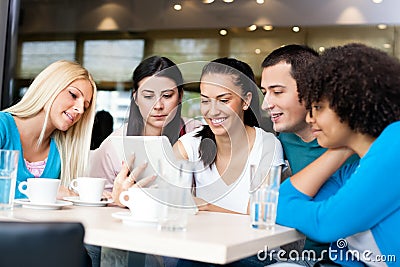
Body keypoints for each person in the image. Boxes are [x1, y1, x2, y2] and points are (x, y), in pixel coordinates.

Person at [272, 43, 400, 266]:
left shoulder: (395, 142)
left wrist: (351, 137)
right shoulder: (351, 171)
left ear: (352, 102)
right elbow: (278, 203)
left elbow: (324, 224)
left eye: (319, 107)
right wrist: (341, 149)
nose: (311, 119)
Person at [260, 44, 359, 265]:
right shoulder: (277, 141)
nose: (266, 104)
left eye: (277, 92)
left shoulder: (365, 153)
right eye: (265, 92)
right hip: (295, 254)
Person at [173, 57, 285, 214]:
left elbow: (259, 213)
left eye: (223, 100)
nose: (212, 111)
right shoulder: (190, 144)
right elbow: (161, 193)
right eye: (205, 101)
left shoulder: (267, 146)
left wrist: (205, 206)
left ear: (246, 100)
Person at [89, 55, 200, 203]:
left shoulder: (197, 133)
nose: (158, 106)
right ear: (135, 97)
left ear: (180, 96)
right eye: (148, 96)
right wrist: (117, 200)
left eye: (167, 96)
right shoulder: (114, 145)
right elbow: (97, 202)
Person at [0, 60, 97, 199]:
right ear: (50, 87)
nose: (80, 109)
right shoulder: (2, 126)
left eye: (85, 106)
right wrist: (46, 194)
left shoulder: (61, 150)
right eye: (73, 95)